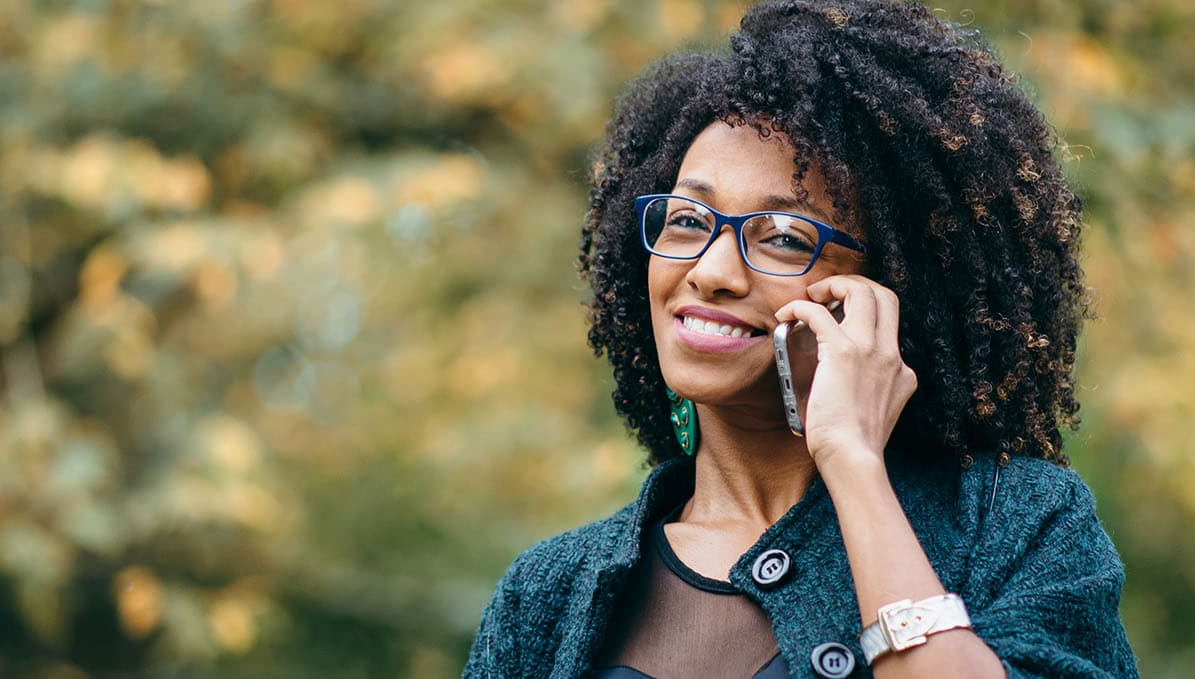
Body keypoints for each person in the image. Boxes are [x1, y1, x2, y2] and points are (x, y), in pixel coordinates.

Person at [465, 1, 1138, 677]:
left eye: (785, 237)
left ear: (890, 285)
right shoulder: (547, 595)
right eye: (687, 219)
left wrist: (852, 461)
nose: (712, 271)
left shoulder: (1017, 524)